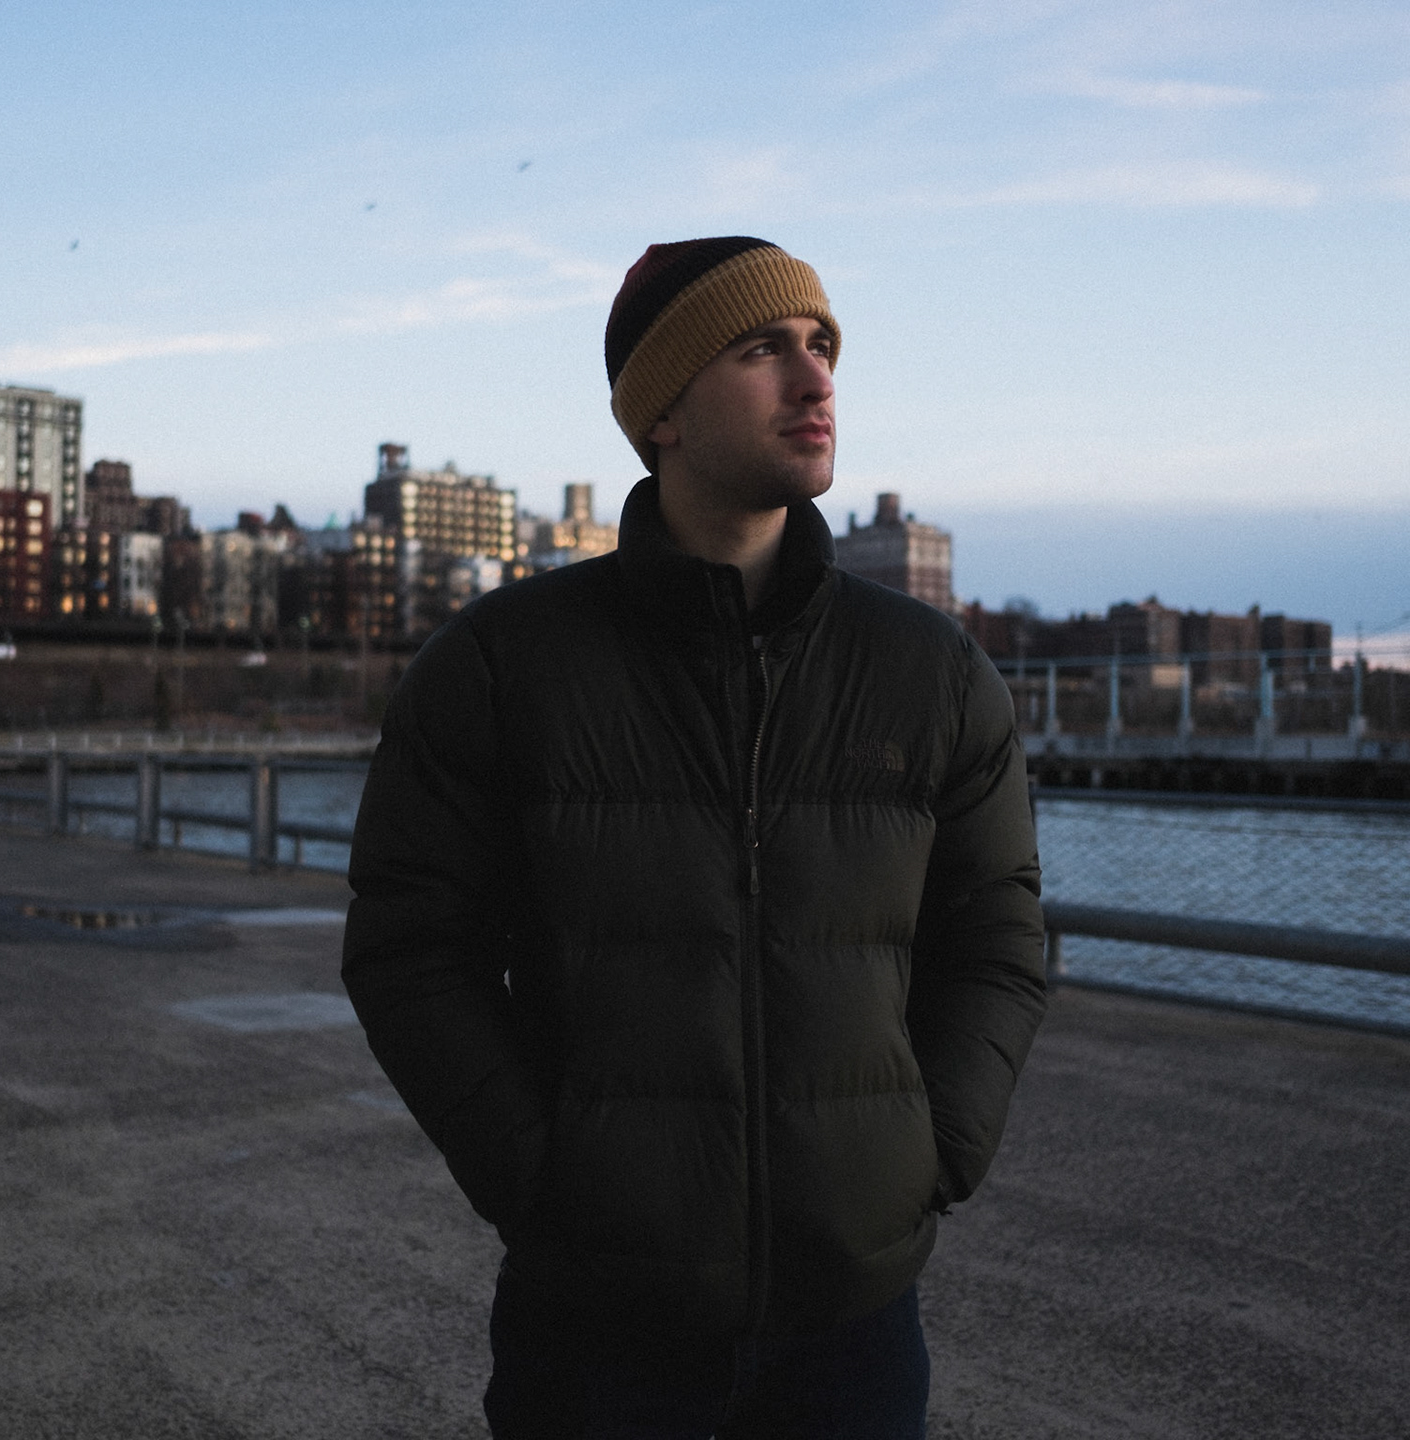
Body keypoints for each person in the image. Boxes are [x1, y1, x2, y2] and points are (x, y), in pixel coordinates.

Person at [342, 236, 1047, 1438]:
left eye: (822, 347)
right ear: (661, 410)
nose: (815, 381)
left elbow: (998, 937)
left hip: (856, 1329)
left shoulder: (930, 672)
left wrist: (930, 1152)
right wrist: (540, 1178)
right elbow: (412, 949)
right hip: (597, 1324)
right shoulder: (504, 666)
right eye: (763, 349)